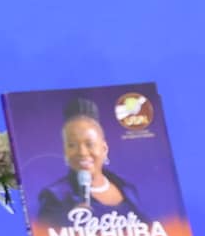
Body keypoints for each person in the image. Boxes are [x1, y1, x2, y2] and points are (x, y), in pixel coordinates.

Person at [33, 96, 146, 225]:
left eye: (89, 144)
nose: (82, 152)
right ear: (65, 152)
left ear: (104, 149)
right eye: (72, 145)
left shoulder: (127, 190)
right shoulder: (55, 197)